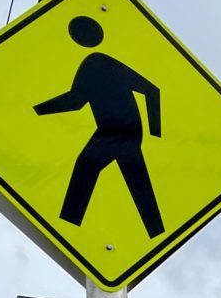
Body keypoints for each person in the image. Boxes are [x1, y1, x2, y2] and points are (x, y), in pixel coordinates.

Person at [33, 15, 165, 237]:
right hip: (116, 132)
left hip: (122, 131)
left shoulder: (100, 62)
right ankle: (156, 232)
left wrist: (157, 132)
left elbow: (152, 90)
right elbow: (76, 101)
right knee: (136, 181)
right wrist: (37, 109)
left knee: (87, 166)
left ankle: (69, 225)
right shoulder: (92, 64)